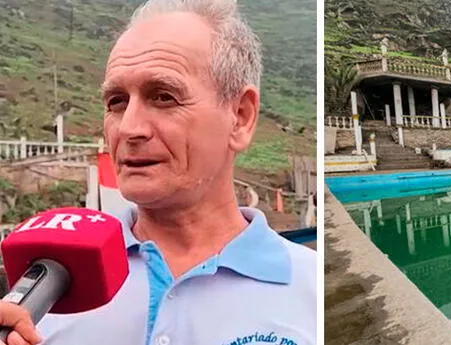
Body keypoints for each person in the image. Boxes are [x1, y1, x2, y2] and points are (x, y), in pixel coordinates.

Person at [0, 0, 316, 344]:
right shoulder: (48, 294)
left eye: (164, 97)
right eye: (116, 102)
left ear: (240, 117)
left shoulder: (312, 290)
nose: (129, 128)